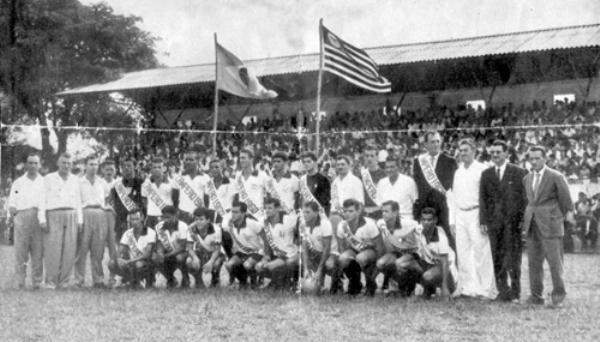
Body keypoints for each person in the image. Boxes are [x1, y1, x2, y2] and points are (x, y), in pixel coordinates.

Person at [523, 145, 574, 306]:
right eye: (532, 158)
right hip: (532, 224)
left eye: (538, 158)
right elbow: (529, 201)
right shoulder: (527, 178)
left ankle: (558, 295)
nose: (534, 161)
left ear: (545, 158)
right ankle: (536, 295)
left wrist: (564, 218)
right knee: (534, 262)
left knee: (555, 263)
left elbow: (566, 200)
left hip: (551, 224)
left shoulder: (556, 176)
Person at [480, 140, 528, 302]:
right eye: (492, 152)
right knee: (497, 258)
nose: (495, 155)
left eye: (498, 152)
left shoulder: (519, 172)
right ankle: (502, 291)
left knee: (514, 259)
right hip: (494, 224)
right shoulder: (486, 174)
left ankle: (515, 292)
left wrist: (523, 221)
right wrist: (483, 221)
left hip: (512, 224)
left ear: (506, 154)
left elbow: (524, 199)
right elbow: (483, 200)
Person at [452, 138, 497, 299]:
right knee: (463, 254)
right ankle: (468, 288)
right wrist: (453, 220)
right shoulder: (458, 171)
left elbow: (489, 197)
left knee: (481, 252)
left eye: (466, 150)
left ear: (474, 151)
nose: (463, 153)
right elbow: (454, 197)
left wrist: (485, 219)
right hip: (461, 214)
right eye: (461, 150)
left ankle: (484, 289)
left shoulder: (483, 169)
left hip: (477, 213)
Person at [395, 207, 457, 300]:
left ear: (435, 220)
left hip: (445, 271)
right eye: (423, 220)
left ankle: (437, 289)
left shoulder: (441, 237)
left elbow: (445, 263)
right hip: (428, 264)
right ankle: (411, 290)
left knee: (427, 276)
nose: (426, 222)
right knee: (401, 263)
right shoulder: (419, 229)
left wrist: (445, 287)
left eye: (429, 220)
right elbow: (401, 233)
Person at [42, 152, 83, 289]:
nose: (66, 165)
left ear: (71, 165)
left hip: (71, 214)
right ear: (58, 163)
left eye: (69, 163)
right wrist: (42, 218)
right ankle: (51, 282)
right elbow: (42, 200)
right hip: (54, 213)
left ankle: (65, 281)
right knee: (53, 249)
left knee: (69, 250)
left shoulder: (75, 179)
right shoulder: (48, 178)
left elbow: (78, 201)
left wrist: (80, 221)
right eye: (63, 162)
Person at [7, 153, 46, 289]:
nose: (33, 165)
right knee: (21, 251)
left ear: (39, 165)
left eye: (36, 163)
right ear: (26, 164)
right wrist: (15, 217)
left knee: (38, 251)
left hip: (38, 216)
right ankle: (20, 281)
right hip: (22, 216)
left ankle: (37, 281)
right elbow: (12, 202)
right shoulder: (19, 182)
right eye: (30, 163)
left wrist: (43, 219)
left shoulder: (43, 182)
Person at [413, 131, 457, 249]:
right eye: (432, 142)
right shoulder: (418, 162)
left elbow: (453, 186)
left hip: (443, 206)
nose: (436, 144)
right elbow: (417, 184)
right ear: (425, 144)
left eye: (438, 141)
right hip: (425, 206)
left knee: (447, 239)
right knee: (427, 239)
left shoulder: (450, 161)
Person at [337, 199, 384, 295]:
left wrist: (374, 273)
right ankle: (355, 283)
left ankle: (370, 283)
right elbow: (341, 248)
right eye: (345, 211)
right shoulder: (342, 226)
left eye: (351, 211)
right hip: (355, 250)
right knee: (343, 258)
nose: (347, 214)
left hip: (371, 252)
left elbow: (380, 249)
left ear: (358, 212)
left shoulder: (370, 225)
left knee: (361, 258)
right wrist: (349, 266)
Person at [75, 156, 109, 288]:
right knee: (82, 249)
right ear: (85, 166)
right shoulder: (79, 182)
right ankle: (78, 280)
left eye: (95, 164)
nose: (93, 167)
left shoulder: (102, 182)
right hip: (85, 213)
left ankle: (98, 279)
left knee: (98, 249)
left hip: (99, 214)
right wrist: (79, 220)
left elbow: (106, 199)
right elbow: (77, 202)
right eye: (90, 164)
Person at [375, 200, 419, 296]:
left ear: (395, 212)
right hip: (397, 252)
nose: (383, 214)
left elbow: (422, 232)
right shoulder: (380, 223)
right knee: (381, 263)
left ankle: (409, 288)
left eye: (386, 211)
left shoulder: (409, 223)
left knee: (400, 263)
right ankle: (394, 285)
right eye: (382, 211)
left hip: (413, 253)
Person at [256, 198, 299, 290]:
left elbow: (301, 228)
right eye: (266, 208)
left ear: (278, 208)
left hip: (288, 255)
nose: (267, 210)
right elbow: (266, 241)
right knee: (258, 266)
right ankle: (277, 283)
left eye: (270, 208)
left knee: (271, 266)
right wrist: (266, 256)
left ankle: (285, 283)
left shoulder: (288, 220)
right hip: (274, 255)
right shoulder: (264, 222)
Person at [299, 201, 341, 294]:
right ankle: (318, 286)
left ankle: (337, 285)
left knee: (329, 264)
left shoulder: (325, 224)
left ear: (316, 213)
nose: (305, 215)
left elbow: (327, 248)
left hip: (331, 253)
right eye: (303, 212)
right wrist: (306, 268)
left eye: (308, 212)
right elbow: (304, 247)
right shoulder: (303, 225)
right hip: (316, 252)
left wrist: (319, 269)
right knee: (300, 262)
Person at [108, 210, 156, 289]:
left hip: (146, 262)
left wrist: (129, 261)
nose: (134, 222)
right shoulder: (127, 233)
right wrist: (118, 259)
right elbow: (119, 250)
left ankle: (146, 280)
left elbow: (147, 254)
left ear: (142, 218)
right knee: (112, 263)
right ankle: (131, 280)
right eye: (132, 219)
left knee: (138, 264)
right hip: (131, 262)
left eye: (136, 219)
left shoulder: (150, 232)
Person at [223, 201, 264, 288]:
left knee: (247, 265)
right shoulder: (230, 223)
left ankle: (254, 282)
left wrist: (265, 253)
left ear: (244, 213)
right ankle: (242, 282)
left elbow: (265, 238)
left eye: (236, 212)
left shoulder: (252, 223)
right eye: (232, 212)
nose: (233, 214)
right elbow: (223, 229)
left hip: (256, 252)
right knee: (228, 265)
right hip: (242, 252)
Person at [186, 207, 225, 288]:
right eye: (196, 219)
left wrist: (211, 262)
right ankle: (198, 281)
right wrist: (194, 257)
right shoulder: (191, 228)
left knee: (216, 263)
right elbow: (189, 248)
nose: (198, 222)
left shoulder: (216, 229)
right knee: (189, 261)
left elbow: (217, 250)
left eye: (201, 219)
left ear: (208, 220)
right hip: (200, 252)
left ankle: (215, 280)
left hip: (214, 253)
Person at [153, 205, 189, 288]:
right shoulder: (159, 226)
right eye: (164, 217)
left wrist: (166, 256)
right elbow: (159, 242)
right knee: (155, 258)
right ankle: (171, 279)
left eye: (168, 217)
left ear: (175, 216)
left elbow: (182, 247)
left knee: (180, 258)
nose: (165, 220)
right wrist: (160, 252)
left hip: (181, 252)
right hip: (167, 251)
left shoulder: (183, 226)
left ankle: (185, 278)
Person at [376, 156, 418, 221]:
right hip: (387, 219)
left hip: (405, 218)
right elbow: (379, 205)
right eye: (387, 167)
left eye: (392, 167)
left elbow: (415, 202)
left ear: (398, 167)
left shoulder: (409, 182)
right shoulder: (381, 183)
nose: (389, 170)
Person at [172, 151, 209, 224]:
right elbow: (174, 198)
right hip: (182, 214)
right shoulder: (178, 177)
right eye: (186, 160)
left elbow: (207, 200)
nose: (188, 162)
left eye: (191, 160)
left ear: (197, 161)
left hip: (199, 215)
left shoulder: (205, 177)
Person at [141, 157, 176, 228]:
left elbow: (175, 200)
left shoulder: (171, 183)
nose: (157, 169)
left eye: (159, 167)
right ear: (151, 169)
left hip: (165, 217)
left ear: (164, 168)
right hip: (151, 217)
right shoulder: (146, 183)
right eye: (154, 167)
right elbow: (144, 200)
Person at [233, 149, 268, 220]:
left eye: (243, 158)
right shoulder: (238, 175)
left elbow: (269, 195)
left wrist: (265, 212)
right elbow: (236, 196)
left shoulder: (262, 175)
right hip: (242, 217)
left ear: (251, 159)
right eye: (240, 158)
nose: (241, 160)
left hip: (257, 216)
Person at [101, 159, 119, 287]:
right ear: (102, 170)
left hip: (114, 217)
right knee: (98, 248)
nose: (109, 172)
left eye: (111, 169)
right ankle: (98, 278)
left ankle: (112, 276)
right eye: (107, 169)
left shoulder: (119, 183)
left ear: (115, 171)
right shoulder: (98, 182)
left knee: (114, 248)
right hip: (100, 216)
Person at [360, 146, 386, 219]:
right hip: (365, 213)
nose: (369, 158)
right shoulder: (360, 175)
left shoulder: (384, 175)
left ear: (377, 157)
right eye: (367, 156)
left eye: (372, 156)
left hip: (380, 212)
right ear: (364, 158)